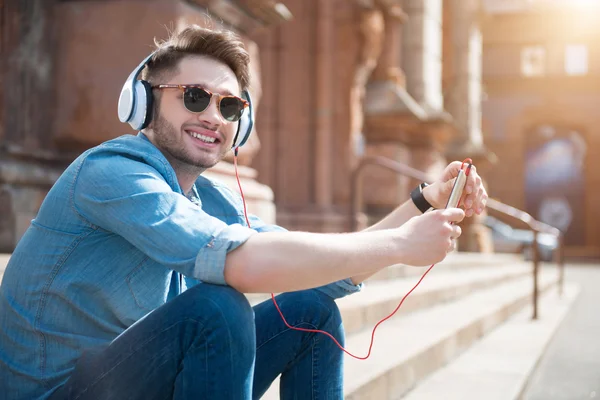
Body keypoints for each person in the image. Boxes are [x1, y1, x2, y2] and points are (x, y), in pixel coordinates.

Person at [0, 25, 488, 400]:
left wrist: (423, 202)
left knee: (312, 310)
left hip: (130, 380)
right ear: (144, 104)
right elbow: (241, 262)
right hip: (59, 393)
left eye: (230, 107)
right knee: (217, 306)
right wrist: (403, 246)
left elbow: (323, 270)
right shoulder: (112, 174)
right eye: (194, 97)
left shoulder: (205, 199)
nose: (214, 116)